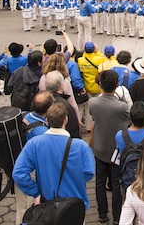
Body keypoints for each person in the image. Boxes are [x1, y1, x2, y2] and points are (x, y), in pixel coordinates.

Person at [13, 103, 95, 211]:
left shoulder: (34, 143)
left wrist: (35, 192)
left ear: (47, 121)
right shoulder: (80, 146)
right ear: (66, 120)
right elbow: (89, 173)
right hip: (75, 204)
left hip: (48, 204)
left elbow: (18, 173)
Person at [90, 70, 130, 224]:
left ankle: (101, 214)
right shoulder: (122, 107)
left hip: (99, 147)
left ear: (100, 85)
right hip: (117, 151)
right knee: (116, 183)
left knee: (99, 181)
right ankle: (117, 217)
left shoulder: (93, 103)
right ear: (117, 85)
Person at [15, 91, 53, 225]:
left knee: (21, 208)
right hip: (29, 176)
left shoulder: (24, 115)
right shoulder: (43, 133)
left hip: (19, 165)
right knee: (30, 211)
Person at [77, 42, 105, 130]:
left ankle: (88, 126)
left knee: (88, 107)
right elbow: (102, 57)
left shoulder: (80, 60)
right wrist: (97, 51)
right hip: (97, 87)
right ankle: (98, 124)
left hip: (87, 87)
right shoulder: (99, 59)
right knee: (99, 107)